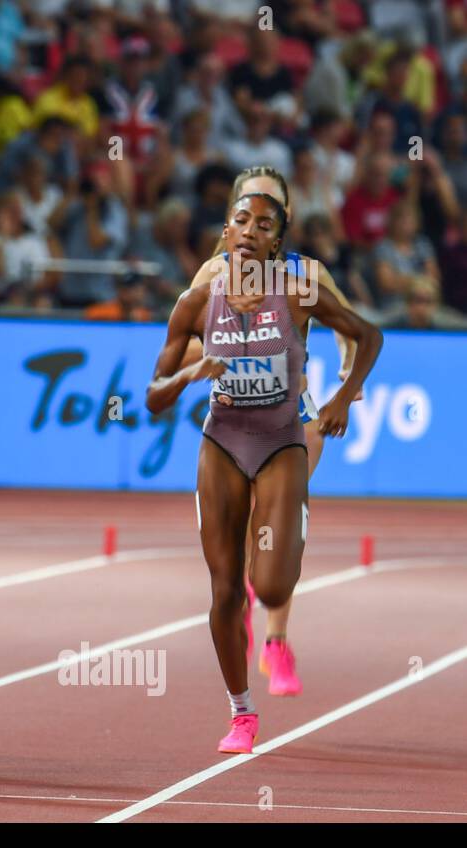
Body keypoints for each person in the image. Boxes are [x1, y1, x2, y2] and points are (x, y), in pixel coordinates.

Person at [149, 190, 381, 753]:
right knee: (225, 590)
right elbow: (154, 396)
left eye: (264, 224)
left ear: (278, 242)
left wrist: (345, 397)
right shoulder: (196, 301)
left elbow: (367, 334)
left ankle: (276, 630)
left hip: (281, 439)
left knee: (271, 583)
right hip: (223, 441)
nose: (251, 230)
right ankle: (242, 713)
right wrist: (188, 375)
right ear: (226, 234)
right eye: (241, 221)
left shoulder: (301, 292)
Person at [187, 165, 362, 695]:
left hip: (297, 418)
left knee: (281, 532)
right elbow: (186, 341)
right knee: (243, 534)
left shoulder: (307, 275)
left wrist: (344, 388)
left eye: (268, 207)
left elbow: (349, 334)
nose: (254, 220)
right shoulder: (212, 274)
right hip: (237, 420)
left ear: (281, 222)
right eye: (247, 206)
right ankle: (240, 603)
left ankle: (276, 643)